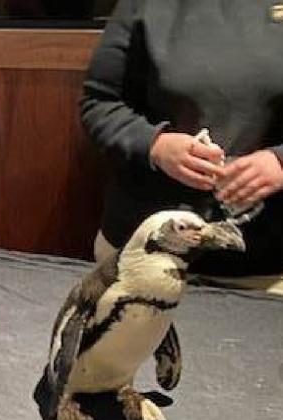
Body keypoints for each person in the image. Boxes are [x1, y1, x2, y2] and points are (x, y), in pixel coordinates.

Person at [81, 0, 283, 280]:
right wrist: (155, 145)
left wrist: (280, 162)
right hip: (141, 259)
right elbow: (99, 103)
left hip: (268, 264)